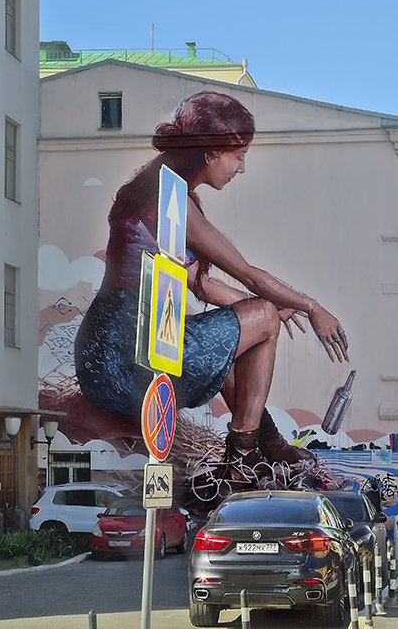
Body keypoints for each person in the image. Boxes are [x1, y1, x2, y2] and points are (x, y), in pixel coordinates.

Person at [74, 91, 350, 489]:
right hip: (130, 350)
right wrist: (310, 306)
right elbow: (246, 273)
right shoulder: (170, 201)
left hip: (105, 350)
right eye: (237, 156)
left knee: (234, 332)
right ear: (211, 154)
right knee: (253, 322)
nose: (241, 168)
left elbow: (200, 284)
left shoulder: (162, 191)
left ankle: (264, 440)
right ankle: (242, 456)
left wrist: (261, 311)